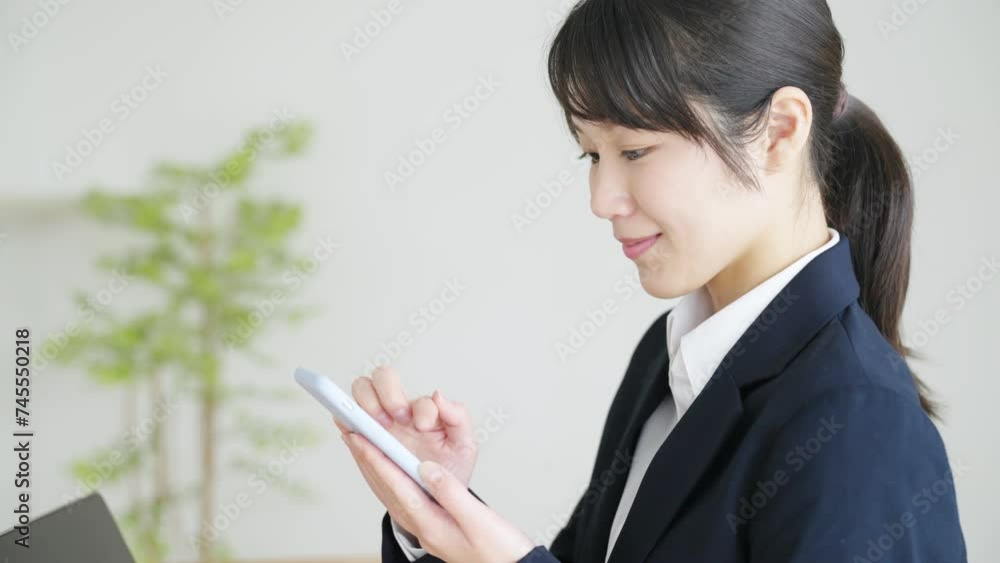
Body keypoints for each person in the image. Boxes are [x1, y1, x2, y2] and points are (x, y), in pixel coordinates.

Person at [336, 0, 968, 561]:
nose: (601, 198)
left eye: (634, 150)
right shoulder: (666, 359)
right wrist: (435, 509)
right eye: (592, 154)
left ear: (779, 132)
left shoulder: (857, 421)